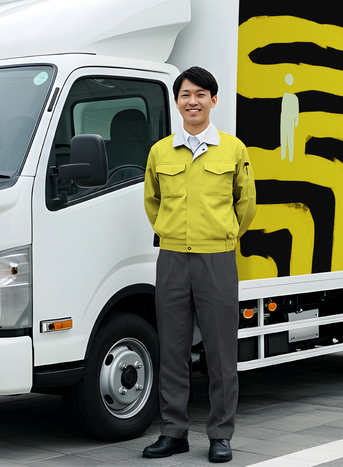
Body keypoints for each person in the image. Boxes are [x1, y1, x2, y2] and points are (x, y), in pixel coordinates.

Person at [141, 66, 256, 463]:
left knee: (221, 353)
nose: (193, 101)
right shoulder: (160, 152)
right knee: (172, 351)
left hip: (217, 259)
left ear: (213, 100)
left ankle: (220, 436)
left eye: (200, 94)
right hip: (172, 258)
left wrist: (223, 236)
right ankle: (173, 433)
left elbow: (246, 203)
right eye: (186, 94)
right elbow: (152, 202)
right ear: (177, 102)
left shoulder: (233, 149)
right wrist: (170, 232)